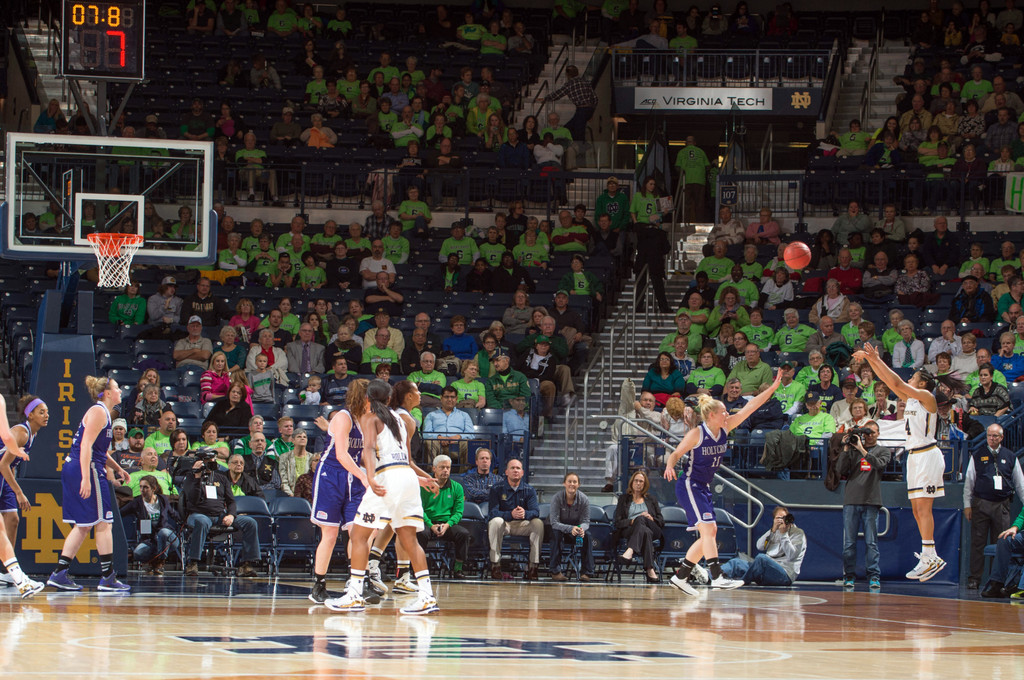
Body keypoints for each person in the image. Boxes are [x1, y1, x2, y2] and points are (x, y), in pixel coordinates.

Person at [324, 380, 440, 614]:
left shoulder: (370, 417)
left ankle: (355, 594)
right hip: (406, 478)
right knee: (409, 539)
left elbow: (367, 449)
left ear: (367, 399)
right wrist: (421, 479)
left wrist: (370, 477)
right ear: (389, 399)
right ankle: (427, 596)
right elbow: (405, 460)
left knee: (358, 535)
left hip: (387, 478)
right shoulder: (401, 419)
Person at [666, 371, 784, 595]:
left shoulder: (726, 427)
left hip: (703, 487)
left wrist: (772, 389)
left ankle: (680, 576)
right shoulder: (696, 434)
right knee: (709, 530)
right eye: (723, 411)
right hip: (689, 485)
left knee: (709, 533)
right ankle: (717, 576)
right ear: (711, 416)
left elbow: (751, 408)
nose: (727, 413)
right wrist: (669, 465)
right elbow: (676, 453)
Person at [854, 343, 949, 581]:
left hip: (927, 454)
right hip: (914, 456)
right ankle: (929, 554)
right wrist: (872, 361)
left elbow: (896, 383)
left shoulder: (927, 397)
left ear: (923, 383)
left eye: (914, 377)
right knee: (917, 509)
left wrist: (874, 358)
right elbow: (889, 382)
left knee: (924, 508)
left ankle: (931, 555)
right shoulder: (912, 398)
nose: (910, 379)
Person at [46, 377, 131, 592]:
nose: (120, 390)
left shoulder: (105, 414)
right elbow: (85, 446)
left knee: (83, 525)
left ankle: (60, 573)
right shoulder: (99, 411)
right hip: (87, 468)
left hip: (81, 466)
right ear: (108, 393)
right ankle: (108, 577)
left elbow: (99, 450)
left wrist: (118, 468)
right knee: (104, 522)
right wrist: (86, 477)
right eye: (117, 387)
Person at [963, 424, 1024, 589]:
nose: (992, 438)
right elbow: (969, 482)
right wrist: (967, 505)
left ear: (1001, 437)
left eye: (995, 436)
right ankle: (974, 579)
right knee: (978, 543)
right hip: (981, 504)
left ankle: (998, 580)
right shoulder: (977, 455)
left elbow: (1020, 484)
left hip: (1002, 505)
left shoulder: (1010, 457)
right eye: (989, 435)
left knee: (1002, 544)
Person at [837, 420, 891, 589]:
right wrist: (846, 448)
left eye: (872, 433)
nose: (869, 436)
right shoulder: (853, 450)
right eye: (867, 433)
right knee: (849, 543)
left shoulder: (883, 451)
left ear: (878, 434)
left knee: (871, 542)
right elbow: (840, 470)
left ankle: (874, 576)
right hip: (851, 500)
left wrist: (862, 449)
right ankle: (849, 575)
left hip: (871, 500)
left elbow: (879, 464)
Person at [721, 506, 807, 586]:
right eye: (778, 518)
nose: (781, 520)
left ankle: (743, 581)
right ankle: (710, 576)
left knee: (761, 558)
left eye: (784, 517)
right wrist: (772, 531)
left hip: (784, 575)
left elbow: (792, 556)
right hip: (765, 571)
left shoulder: (798, 533)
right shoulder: (773, 532)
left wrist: (783, 534)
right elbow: (760, 546)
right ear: (774, 520)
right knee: (736, 563)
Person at [487, 458, 543, 581]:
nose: (515, 471)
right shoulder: (497, 489)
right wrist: (510, 514)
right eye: (512, 468)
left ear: (522, 472)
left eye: (518, 468)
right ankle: (495, 565)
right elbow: (492, 513)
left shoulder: (529, 490)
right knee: (495, 521)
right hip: (505, 524)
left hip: (523, 524)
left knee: (538, 523)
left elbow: (536, 512)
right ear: (506, 472)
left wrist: (524, 513)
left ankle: (533, 567)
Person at [417, 453, 471, 578]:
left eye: (448, 467)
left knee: (463, 534)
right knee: (420, 533)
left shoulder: (457, 487)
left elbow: (458, 512)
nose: (446, 470)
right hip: (427, 522)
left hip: (447, 523)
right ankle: (419, 569)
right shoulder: (423, 486)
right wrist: (430, 525)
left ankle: (458, 569)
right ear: (434, 469)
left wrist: (447, 525)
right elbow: (419, 509)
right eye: (442, 467)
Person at [119, 475, 181, 575]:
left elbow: (173, 514)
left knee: (163, 532)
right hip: (150, 540)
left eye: (145, 487)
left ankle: (160, 562)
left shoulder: (162, 500)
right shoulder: (137, 502)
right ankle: (154, 563)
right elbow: (120, 513)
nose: (142, 490)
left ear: (153, 488)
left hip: (168, 539)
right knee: (138, 553)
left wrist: (184, 521)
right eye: (140, 487)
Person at [611, 469, 664, 583]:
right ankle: (650, 569)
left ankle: (630, 550)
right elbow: (618, 522)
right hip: (631, 529)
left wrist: (651, 518)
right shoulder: (624, 499)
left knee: (642, 520)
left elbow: (661, 521)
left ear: (645, 484)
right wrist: (632, 521)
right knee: (645, 532)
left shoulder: (651, 499)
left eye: (641, 481)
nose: (638, 483)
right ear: (632, 482)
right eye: (636, 481)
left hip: (652, 527)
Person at [548, 472, 594, 582]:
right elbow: (554, 522)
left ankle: (587, 572)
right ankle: (555, 571)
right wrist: (570, 528)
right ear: (564, 483)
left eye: (575, 482)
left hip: (576, 530)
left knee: (587, 536)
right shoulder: (557, 498)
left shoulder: (584, 499)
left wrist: (581, 529)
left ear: (579, 485)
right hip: (559, 529)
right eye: (569, 481)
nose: (572, 484)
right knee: (556, 534)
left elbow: (586, 521)